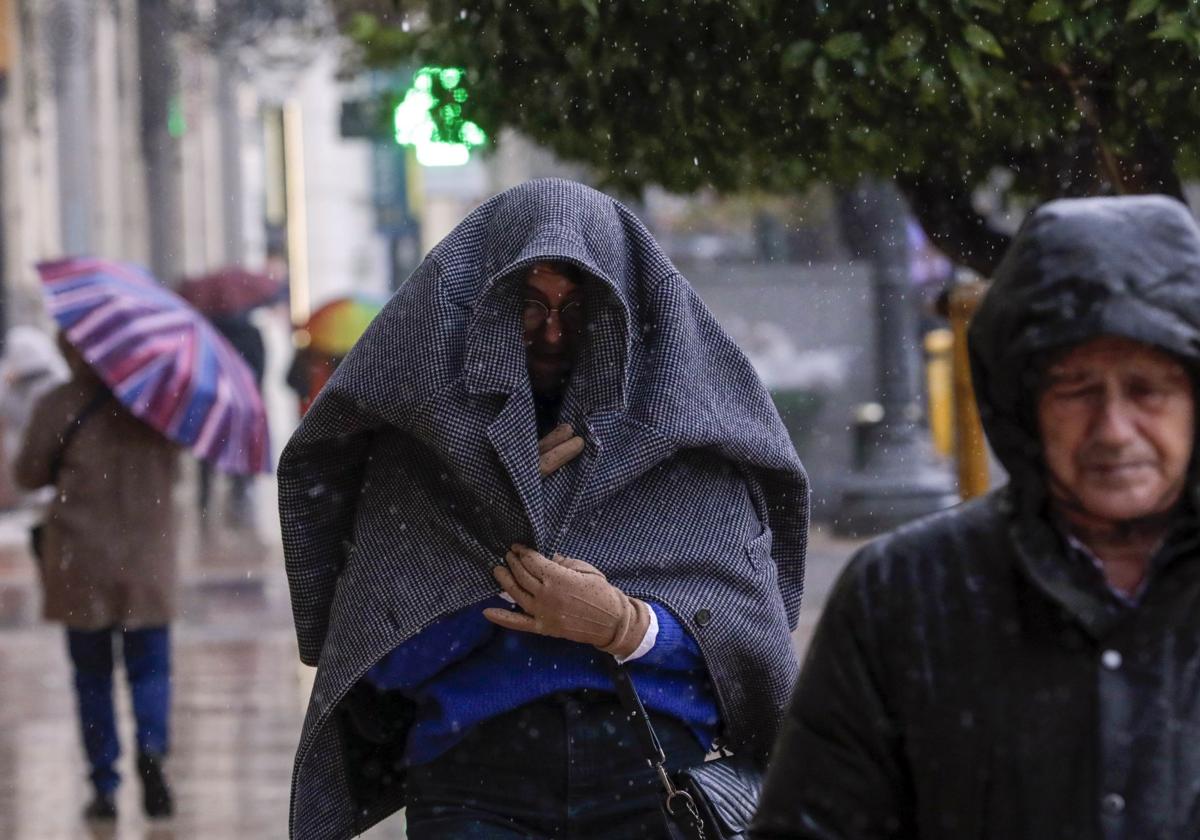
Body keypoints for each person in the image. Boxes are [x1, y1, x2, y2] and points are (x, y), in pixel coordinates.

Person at [278, 178, 809, 839]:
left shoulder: (689, 455)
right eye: (527, 306)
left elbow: (745, 650)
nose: (553, 333)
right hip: (472, 784)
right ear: (482, 309)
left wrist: (625, 625)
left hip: (656, 782)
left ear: (624, 313)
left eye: (576, 307)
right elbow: (380, 655)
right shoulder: (419, 457)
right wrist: (516, 570)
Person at [751, 194, 1200, 839]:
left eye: (1147, 389)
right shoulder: (903, 594)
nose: (1114, 430)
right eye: (1076, 390)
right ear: (1024, 402)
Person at [14, 334, 179, 821]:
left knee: (92, 677)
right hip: (147, 559)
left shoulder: (59, 403)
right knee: (150, 669)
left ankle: (103, 784)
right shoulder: (157, 403)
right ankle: (152, 750)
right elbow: (177, 470)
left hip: (81, 561)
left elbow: (27, 475)